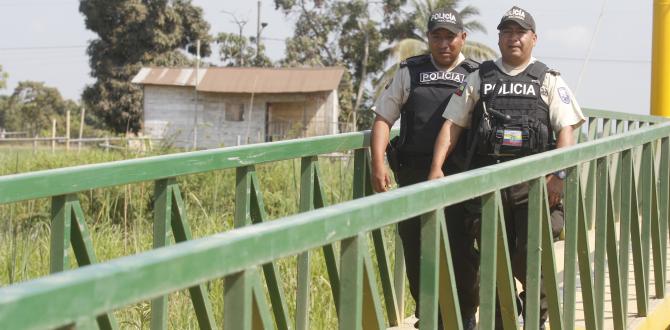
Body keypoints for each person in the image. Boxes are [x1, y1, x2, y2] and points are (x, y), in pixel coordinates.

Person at [428, 6, 586, 328]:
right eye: (507, 32)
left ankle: (534, 318)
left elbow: (566, 131)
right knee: (494, 259)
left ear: (534, 39)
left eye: (520, 32)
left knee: (533, 258)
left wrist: (558, 175)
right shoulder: (480, 78)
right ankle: (503, 320)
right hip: (489, 188)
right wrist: (436, 168)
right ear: (499, 38)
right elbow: (452, 125)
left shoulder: (548, 80)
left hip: (534, 187)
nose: (514, 38)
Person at [370, 7, 480, 329]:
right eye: (437, 37)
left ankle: (464, 316)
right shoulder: (410, 72)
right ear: (428, 39)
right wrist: (378, 162)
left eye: (450, 37)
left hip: (462, 177)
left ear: (463, 38)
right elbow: (383, 118)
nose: (444, 44)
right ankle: (429, 317)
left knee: (461, 250)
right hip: (415, 177)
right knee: (418, 250)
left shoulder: (477, 73)